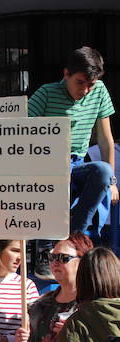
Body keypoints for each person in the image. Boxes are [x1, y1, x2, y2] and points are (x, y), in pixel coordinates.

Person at [28, 47, 117, 236]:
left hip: (77, 164)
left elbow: (104, 138)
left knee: (104, 171)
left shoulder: (99, 91)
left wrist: (112, 182)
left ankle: (77, 236)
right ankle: (47, 248)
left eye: (90, 84)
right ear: (66, 74)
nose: (85, 90)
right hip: (48, 166)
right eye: (80, 82)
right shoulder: (46, 93)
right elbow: (20, 132)